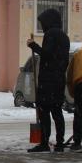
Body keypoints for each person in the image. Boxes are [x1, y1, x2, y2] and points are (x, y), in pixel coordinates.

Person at [27, 9, 70, 153]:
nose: (42, 25)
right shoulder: (64, 36)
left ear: (49, 21)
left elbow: (47, 55)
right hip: (59, 79)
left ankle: (44, 142)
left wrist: (33, 45)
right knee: (57, 111)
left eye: (43, 22)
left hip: (48, 80)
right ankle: (59, 143)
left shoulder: (51, 34)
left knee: (44, 111)